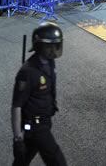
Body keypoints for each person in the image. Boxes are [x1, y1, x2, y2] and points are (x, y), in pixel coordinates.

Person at [12, 22, 67, 166]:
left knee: (23, 159)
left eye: (56, 46)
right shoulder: (28, 72)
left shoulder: (49, 62)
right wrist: (18, 137)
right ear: (39, 46)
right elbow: (17, 105)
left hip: (45, 120)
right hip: (35, 125)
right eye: (50, 46)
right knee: (56, 160)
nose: (54, 50)